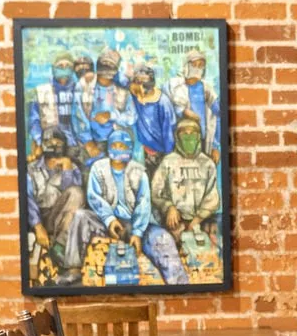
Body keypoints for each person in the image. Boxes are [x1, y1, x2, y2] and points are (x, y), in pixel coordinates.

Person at [69, 128, 188, 285]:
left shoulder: (139, 172)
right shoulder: (98, 168)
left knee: (163, 239)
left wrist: (138, 233)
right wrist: (109, 219)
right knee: (80, 216)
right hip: (107, 222)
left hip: (136, 224)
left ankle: (178, 284)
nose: (118, 149)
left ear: (129, 149)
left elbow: (143, 204)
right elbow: (93, 196)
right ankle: (73, 270)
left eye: (122, 146)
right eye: (115, 145)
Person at [25, 128, 85, 283]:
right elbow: (28, 199)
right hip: (37, 218)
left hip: (60, 219)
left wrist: (67, 170)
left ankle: (59, 249)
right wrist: (37, 226)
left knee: (76, 193)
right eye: (50, 142)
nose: (54, 145)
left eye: (58, 142)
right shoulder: (31, 169)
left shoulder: (73, 168)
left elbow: (74, 201)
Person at [151, 115, 220, 245]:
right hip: (174, 220)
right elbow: (155, 192)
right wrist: (169, 207)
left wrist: (197, 220)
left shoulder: (207, 163)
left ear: (199, 137)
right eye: (184, 134)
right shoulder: (168, 161)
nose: (189, 138)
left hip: (201, 219)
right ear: (177, 137)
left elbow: (212, 197)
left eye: (193, 134)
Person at [71, 47, 138, 159]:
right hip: (91, 143)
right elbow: (78, 115)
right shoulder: (84, 85)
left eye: (111, 64)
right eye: (104, 63)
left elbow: (132, 117)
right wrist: (88, 142)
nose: (107, 67)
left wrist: (111, 115)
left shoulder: (123, 89)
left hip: (118, 141)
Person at [165, 47, 220, 164]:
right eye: (194, 64)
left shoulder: (207, 89)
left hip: (203, 140)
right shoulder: (174, 86)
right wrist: (183, 112)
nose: (197, 68)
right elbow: (167, 108)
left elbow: (219, 114)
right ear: (186, 65)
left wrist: (215, 146)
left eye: (201, 65)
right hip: (181, 139)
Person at [26, 49, 80, 154]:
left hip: (74, 144)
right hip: (51, 144)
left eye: (67, 65)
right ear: (53, 68)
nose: (64, 68)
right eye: (60, 65)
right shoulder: (43, 91)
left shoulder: (78, 90)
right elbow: (34, 120)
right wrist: (39, 141)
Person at [130, 61, 178, 176]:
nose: (141, 86)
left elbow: (168, 133)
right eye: (138, 82)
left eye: (144, 83)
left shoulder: (163, 103)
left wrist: (168, 156)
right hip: (141, 150)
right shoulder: (135, 95)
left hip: (159, 152)